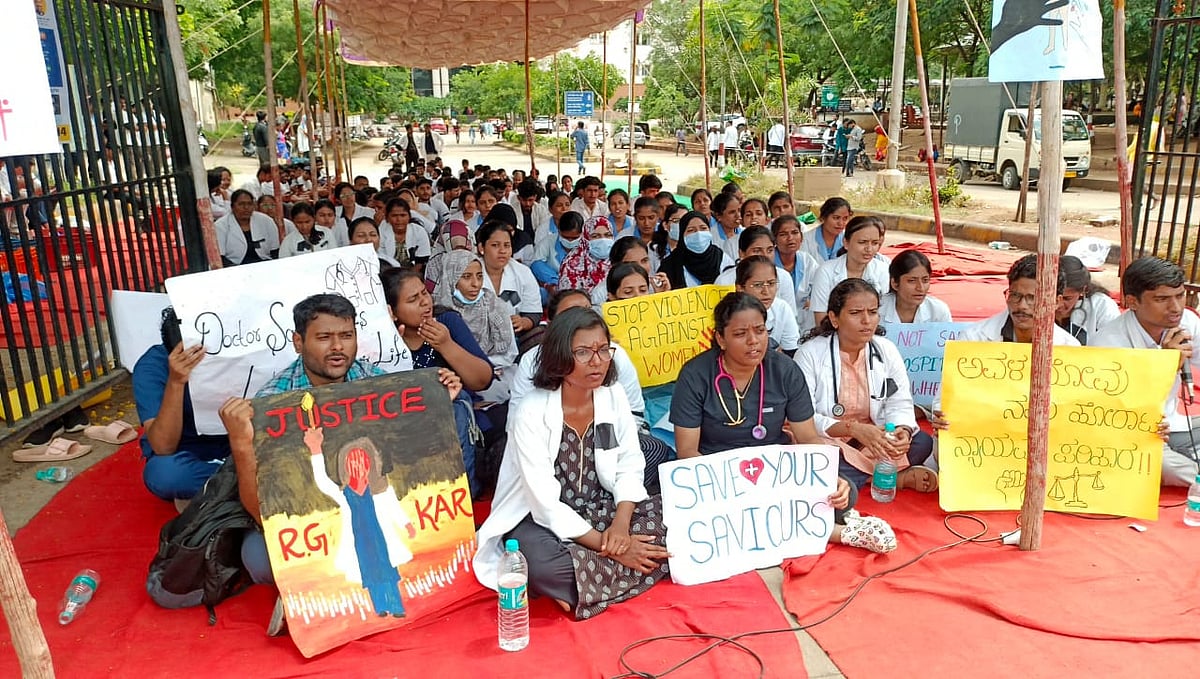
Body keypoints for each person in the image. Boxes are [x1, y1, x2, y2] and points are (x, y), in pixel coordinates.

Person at [219, 294, 463, 614]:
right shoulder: (273, 401)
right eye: (323, 337)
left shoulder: (373, 380)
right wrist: (240, 443)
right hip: (318, 516)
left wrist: (437, 401)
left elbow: (411, 451)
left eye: (346, 336)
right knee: (261, 561)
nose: (337, 347)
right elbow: (259, 509)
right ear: (298, 342)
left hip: (375, 510)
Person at [474, 307, 671, 619]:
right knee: (543, 565)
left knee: (676, 517)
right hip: (540, 521)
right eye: (583, 352)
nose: (597, 361)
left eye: (603, 349)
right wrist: (613, 547)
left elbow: (630, 464)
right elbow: (544, 505)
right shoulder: (531, 411)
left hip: (601, 508)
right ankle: (613, 572)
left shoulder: (612, 394)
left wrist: (620, 528)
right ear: (559, 357)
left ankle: (584, 588)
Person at [670, 293, 896, 552]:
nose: (753, 341)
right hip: (718, 476)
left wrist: (826, 477)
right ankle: (836, 533)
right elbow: (687, 452)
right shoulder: (695, 375)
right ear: (720, 338)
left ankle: (778, 527)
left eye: (760, 330)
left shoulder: (784, 369)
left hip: (775, 471)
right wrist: (727, 488)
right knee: (690, 508)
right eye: (740, 333)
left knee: (843, 493)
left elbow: (808, 437)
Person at [796, 278, 938, 493]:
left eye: (872, 312)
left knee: (921, 443)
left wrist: (903, 431)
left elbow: (899, 401)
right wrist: (855, 430)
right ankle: (891, 477)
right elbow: (803, 418)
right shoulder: (810, 354)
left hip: (874, 439)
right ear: (834, 318)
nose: (866, 321)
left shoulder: (886, 350)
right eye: (855, 313)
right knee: (812, 456)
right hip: (830, 440)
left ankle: (853, 479)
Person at [1091, 256, 1200, 486]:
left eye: (1179, 296)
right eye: (1162, 299)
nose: (1176, 307)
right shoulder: (1108, 343)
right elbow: (1116, 416)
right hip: (1131, 437)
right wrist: (1166, 365)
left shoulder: (1187, 322)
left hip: (1175, 425)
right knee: (1163, 466)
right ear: (1132, 302)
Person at [304, 428, 415, 617]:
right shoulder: (344, 494)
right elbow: (323, 482)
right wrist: (315, 449)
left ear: (370, 463)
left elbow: (393, 507)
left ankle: (396, 606)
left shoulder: (381, 490)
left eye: (361, 461)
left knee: (388, 572)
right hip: (360, 542)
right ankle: (380, 607)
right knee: (370, 574)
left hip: (381, 539)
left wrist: (406, 524)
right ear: (345, 465)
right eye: (352, 462)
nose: (357, 466)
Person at [134, 308, 230, 503]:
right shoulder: (152, 365)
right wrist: (176, 382)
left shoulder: (245, 352)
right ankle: (244, 485)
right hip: (189, 454)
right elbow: (163, 446)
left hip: (243, 445)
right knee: (165, 475)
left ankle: (218, 492)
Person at [960, 254, 1081, 345]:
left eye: (1032, 298)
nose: (1022, 306)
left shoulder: (1068, 347)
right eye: (1015, 295)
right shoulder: (973, 339)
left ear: (1055, 302)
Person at [434, 250, 518, 379]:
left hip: (495, 374)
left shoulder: (494, 305)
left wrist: (483, 367)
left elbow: (510, 353)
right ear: (451, 278)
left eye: (479, 276)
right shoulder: (438, 312)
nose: (476, 284)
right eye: (466, 277)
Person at [810, 216, 890, 326]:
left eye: (875, 243)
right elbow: (821, 319)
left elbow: (883, 315)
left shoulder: (883, 270)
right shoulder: (826, 271)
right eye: (862, 242)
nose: (869, 249)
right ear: (846, 243)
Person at [477, 220, 542, 339]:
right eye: (495, 245)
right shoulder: (469, 272)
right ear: (482, 247)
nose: (502, 251)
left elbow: (533, 313)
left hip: (513, 338)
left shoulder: (522, 273)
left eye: (507, 245)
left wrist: (523, 322)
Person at [714, 226, 798, 313]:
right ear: (741, 253)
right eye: (757, 251)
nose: (765, 255)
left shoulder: (783, 277)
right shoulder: (724, 281)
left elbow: (790, 315)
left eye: (770, 250)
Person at [735, 256, 799, 355]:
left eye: (771, 283)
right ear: (740, 288)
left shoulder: (782, 309)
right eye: (758, 285)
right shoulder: (730, 315)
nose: (766, 291)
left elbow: (791, 351)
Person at [658, 211, 735, 289]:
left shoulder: (723, 259)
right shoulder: (670, 265)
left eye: (703, 228)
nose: (698, 234)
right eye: (691, 230)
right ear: (682, 235)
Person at [1055, 255, 1120, 344]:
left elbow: (1114, 342)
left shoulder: (1102, 305)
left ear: (1083, 290)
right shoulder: (1033, 302)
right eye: (1053, 297)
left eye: (1067, 298)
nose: (1059, 304)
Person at [772, 215, 820, 335]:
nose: (790, 238)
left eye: (795, 233)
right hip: (775, 321)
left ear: (801, 237)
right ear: (774, 239)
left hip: (805, 322)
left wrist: (812, 299)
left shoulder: (807, 260)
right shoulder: (769, 263)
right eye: (783, 234)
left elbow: (819, 287)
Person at [879, 249, 953, 323]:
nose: (920, 288)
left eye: (925, 280)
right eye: (912, 281)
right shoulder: (877, 310)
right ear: (895, 283)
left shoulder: (938, 311)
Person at [215, 189, 280, 266]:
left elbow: (275, 250)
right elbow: (220, 257)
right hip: (235, 267)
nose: (246, 207)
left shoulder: (266, 220)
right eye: (241, 204)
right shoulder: (220, 225)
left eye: (249, 204)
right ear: (232, 206)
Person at [558, 215, 615, 297]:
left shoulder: (619, 258)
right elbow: (567, 298)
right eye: (595, 236)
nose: (603, 240)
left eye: (607, 235)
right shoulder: (571, 263)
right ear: (585, 238)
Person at [531, 210, 585, 288]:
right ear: (559, 231)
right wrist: (555, 281)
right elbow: (536, 264)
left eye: (574, 238)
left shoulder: (589, 245)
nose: (570, 241)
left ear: (582, 233)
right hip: (554, 283)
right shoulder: (547, 242)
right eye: (566, 237)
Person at [802, 197, 852, 263]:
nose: (841, 223)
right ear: (824, 217)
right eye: (836, 218)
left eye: (845, 218)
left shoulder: (850, 240)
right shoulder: (806, 240)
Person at [710, 192, 742, 260]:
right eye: (732, 212)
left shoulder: (744, 233)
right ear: (718, 216)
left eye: (739, 210)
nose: (738, 215)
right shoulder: (710, 238)